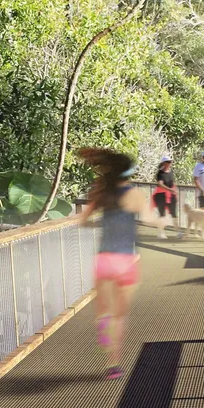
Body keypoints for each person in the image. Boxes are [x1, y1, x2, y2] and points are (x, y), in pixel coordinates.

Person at [72, 148, 151, 380]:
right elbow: (145, 219)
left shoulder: (100, 193)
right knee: (120, 315)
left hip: (105, 259)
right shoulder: (135, 194)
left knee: (104, 312)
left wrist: (102, 224)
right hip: (127, 260)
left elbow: (83, 221)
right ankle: (113, 363)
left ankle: (103, 332)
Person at [152, 156, 179, 237]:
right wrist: (169, 190)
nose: (169, 163)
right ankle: (161, 232)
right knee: (162, 214)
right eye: (167, 162)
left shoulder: (171, 173)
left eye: (170, 162)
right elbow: (160, 184)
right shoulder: (160, 173)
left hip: (171, 196)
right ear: (163, 163)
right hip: (161, 195)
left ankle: (178, 232)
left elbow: (172, 183)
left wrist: (174, 190)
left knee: (174, 214)